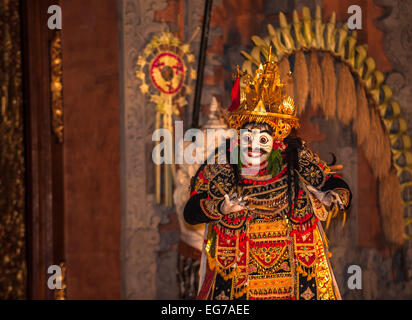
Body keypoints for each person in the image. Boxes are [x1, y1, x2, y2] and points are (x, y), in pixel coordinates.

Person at [183, 59, 351, 300]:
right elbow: (191, 210)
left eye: (263, 139)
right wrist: (220, 207)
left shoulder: (294, 158)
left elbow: (332, 181)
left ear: (277, 142)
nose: (254, 145)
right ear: (239, 137)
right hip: (239, 286)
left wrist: (329, 195)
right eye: (249, 136)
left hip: (295, 282)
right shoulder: (223, 164)